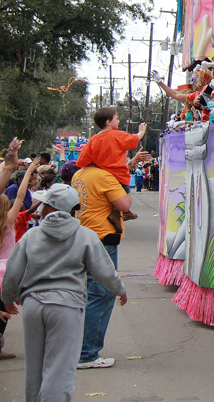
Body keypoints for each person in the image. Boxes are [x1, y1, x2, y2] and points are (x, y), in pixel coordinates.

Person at [1, 183, 126, 400]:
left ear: (47, 207)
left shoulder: (32, 236)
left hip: (32, 306)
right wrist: (119, 289)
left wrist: (7, 298)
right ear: (72, 208)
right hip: (66, 307)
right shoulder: (85, 236)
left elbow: (13, 272)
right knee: (59, 369)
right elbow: (104, 271)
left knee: (35, 367)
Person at [71, 150, 144, 370]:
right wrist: (126, 188)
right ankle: (87, 354)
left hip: (85, 235)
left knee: (90, 294)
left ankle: (80, 349)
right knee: (101, 295)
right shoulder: (103, 176)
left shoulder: (80, 174)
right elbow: (124, 204)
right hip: (103, 238)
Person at [0, 159, 40, 360]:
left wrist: (7, 167)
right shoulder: (8, 222)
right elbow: (21, 195)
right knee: (5, 307)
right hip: (6, 270)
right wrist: (29, 171)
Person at [76, 108, 146, 193]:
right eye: (116, 118)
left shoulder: (93, 140)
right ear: (108, 122)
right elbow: (134, 138)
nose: (119, 121)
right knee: (123, 203)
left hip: (100, 179)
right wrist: (142, 131)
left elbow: (82, 161)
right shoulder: (117, 136)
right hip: (118, 179)